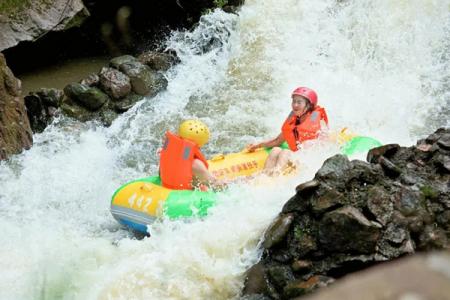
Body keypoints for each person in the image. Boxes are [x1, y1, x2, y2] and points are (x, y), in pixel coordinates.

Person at [247, 87, 328, 175]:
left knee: (285, 152)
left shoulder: (318, 120)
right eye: (294, 101)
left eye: (299, 102)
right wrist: (258, 145)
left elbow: (325, 143)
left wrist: (310, 145)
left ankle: (276, 177)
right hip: (296, 156)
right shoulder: (294, 121)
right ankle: (264, 176)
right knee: (275, 150)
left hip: (308, 160)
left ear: (309, 105)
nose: (295, 105)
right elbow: (277, 141)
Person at [159, 119, 226, 191]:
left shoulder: (166, 151)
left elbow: (160, 174)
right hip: (184, 197)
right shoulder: (196, 164)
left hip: (166, 189)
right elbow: (216, 186)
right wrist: (234, 182)